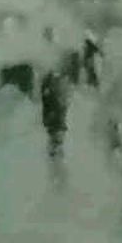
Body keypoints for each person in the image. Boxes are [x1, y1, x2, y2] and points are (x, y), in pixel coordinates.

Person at [40, 27, 69, 187]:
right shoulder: (50, 55)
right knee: (55, 123)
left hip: (55, 100)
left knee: (55, 122)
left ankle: (56, 147)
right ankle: (56, 147)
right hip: (54, 99)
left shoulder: (55, 53)